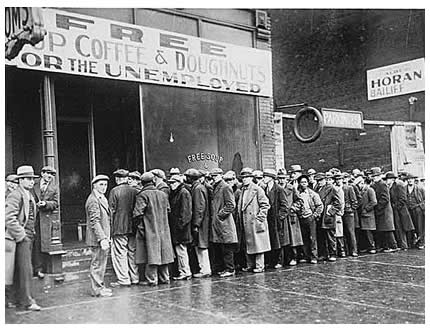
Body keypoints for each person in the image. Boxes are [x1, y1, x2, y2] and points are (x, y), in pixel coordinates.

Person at [5, 165, 41, 311]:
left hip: (28, 236)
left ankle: (18, 299)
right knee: (26, 269)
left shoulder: (28, 194)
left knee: (21, 270)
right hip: (18, 238)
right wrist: (22, 236)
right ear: (20, 180)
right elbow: (8, 218)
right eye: (28, 179)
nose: (31, 181)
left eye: (32, 179)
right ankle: (27, 301)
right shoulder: (16, 195)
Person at [133, 172, 174, 286]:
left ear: (142, 183)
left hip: (149, 229)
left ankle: (152, 280)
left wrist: (140, 228)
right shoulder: (162, 194)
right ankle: (165, 278)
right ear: (153, 181)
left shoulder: (142, 195)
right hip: (163, 229)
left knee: (151, 254)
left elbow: (137, 214)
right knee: (163, 254)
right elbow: (168, 210)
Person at [108, 169, 139, 287]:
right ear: (127, 178)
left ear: (117, 179)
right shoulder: (135, 190)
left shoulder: (114, 191)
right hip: (133, 227)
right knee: (132, 252)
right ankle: (135, 277)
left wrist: (110, 230)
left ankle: (124, 279)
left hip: (119, 227)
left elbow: (111, 211)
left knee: (120, 253)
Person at [237, 168, 271, 273]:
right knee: (248, 244)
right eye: (243, 178)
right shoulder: (242, 190)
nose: (244, 180)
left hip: (254, 221)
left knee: (258, 244)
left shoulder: (257, 189)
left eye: (247, 177)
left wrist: (259, 218)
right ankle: (250, 265)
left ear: (251, 178)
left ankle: (259, 266)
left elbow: (265, 204)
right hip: (245, 221)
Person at [85, 174, 112, 297]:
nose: (104, 187)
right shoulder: (93, 200)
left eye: (105, 184)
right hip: (98, 238)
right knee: (97, 263)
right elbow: (94, 221)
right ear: (94, 185)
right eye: (101, 184)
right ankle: (97, 289)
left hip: (104, 236)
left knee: (101, 263)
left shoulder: (101, 198)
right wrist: (102, 238)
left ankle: (100, 286)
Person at [209, 167, 237, 277]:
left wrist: (220, 215)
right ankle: (225, 268)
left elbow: (231, 205)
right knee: (221, 246)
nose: (214, 178)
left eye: (215, 176)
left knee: (227, 247)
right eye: (213, 176)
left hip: (224, 222)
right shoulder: (216, 187)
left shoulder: (225, 187)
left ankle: (230, 269)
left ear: (220, 175)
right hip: (219, 222)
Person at [31, 165, 59, 279]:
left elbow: (56, 203)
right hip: (31, 216)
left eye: (52, 175)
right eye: (48, 173)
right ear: (42, 173)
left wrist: (46, 204)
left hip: (44, 219)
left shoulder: (54, 187)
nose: (50, 176)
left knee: (41, 243)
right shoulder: (33, 183)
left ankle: (39, 269)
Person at [184, 169, 212, 278]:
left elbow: (199, 208)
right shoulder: (198, 187)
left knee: (202, 246)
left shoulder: (198, 189)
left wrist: (196, 224)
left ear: (191, 178)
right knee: (200, 246)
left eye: (187, 177)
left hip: (200, 223)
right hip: (200, 222)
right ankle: (204, 268)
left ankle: (205, 269)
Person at [262, 169, 289, 269]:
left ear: (271, 178)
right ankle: (271, 261)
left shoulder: (279, 189)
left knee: (279, 241)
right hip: (269, 219)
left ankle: (279, 261)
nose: (264, 178)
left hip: (277, 220)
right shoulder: (265, 189)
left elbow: (285, 206)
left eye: (266, 176)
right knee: (271, 240)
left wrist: (280, 217)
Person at [168, 174, 193, 280]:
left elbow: (186, 212)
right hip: (179, 228)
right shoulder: (180, 192)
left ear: (179, 182)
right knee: (181, 251)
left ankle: (185, 271)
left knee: (181, 251)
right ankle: (183, 271)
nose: (171, 185)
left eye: (173, 183)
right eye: (170, 183)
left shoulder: (183, 193)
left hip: (181, 229)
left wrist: (180, 226)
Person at [296, 174, 323, 264]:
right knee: (303, 238)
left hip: (310, 218)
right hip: (301, 218)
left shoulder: (312, 194)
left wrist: (314, 215)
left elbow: (320, 205)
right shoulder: (297, 193)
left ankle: (313, 256)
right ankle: (305, 255)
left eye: (305, 182)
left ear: (307, 183)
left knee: (312, 238)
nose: (303, 184)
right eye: (301, 182)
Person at [370, 167, 398, 253]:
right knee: (382, 229)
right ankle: (385, 246)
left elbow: (385, 199)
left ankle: (393, 246)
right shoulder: (374, 185)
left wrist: (378, 208)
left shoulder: (382, 184)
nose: (374, 177)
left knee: (387, 229)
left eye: (376, 176)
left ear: (379, 176)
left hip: (384, 210)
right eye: (373, 176)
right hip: (380, 210)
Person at [316, 172, 342, 262]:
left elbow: (338, 204)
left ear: (325, 180)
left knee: (330, 236)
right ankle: (324, 254)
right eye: (318, 180)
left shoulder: (331, 189)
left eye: (321, 180)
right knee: (321, 237)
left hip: (328, 217)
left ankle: (332, 254)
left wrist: (330, 212)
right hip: (320, 217)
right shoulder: (317, 189)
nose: (319, 182)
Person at [385, 171, 415, 251]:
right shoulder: (390, 187)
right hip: (396, 211)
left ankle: (404, 245)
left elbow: (403, 199)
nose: (387, 181)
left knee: (401, 228)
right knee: (398, 227)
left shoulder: (398, 186)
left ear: (392, 179)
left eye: (388, 179)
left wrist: (395, 206)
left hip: (401, 211)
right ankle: (402, 245)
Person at [355, 176, 377, 253]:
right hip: (363, 215)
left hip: (368, 215)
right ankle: (367, 247)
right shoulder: (362, 191)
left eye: (361, 183)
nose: (360, 185)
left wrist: (366, 209)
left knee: (369, 232)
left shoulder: (370, 190)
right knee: (365, 232)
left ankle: (372, 247)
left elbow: (374, 202)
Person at [405, 173, 425, 249]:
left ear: (414, 180)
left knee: (419, 226)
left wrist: (420, 207)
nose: (410, 180)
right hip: (408, 210)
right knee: (410, 226)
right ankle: (412, 242)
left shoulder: (420, 189)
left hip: (417, 210)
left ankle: (421, 242)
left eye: (411, 179)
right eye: (408, 179)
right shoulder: (404, 188)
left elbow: (425, 199)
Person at [342, 173, 358, 257]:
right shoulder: (337, 189)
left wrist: (351, 209)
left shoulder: (349, 188)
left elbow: (354, 201)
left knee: (351, 232)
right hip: (341, 213)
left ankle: (354, 250)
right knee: (343, 233)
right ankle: (347, 250)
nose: (343, 180)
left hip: (348, 213)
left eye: (344, 178)